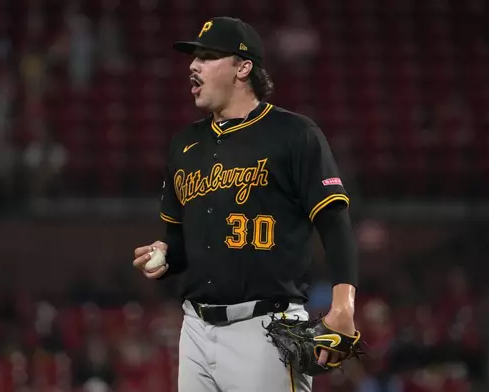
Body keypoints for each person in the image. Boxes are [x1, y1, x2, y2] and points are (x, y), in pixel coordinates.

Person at [132, 16, 358, 392]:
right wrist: (166, 251)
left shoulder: (294, 134)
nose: (193, 65)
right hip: (195, 329)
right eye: (193, 57)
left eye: (206, 56)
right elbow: (181, 237)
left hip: (266, 328)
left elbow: (335, 223)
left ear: (243, 66)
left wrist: (343, 305)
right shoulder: (185, 144)